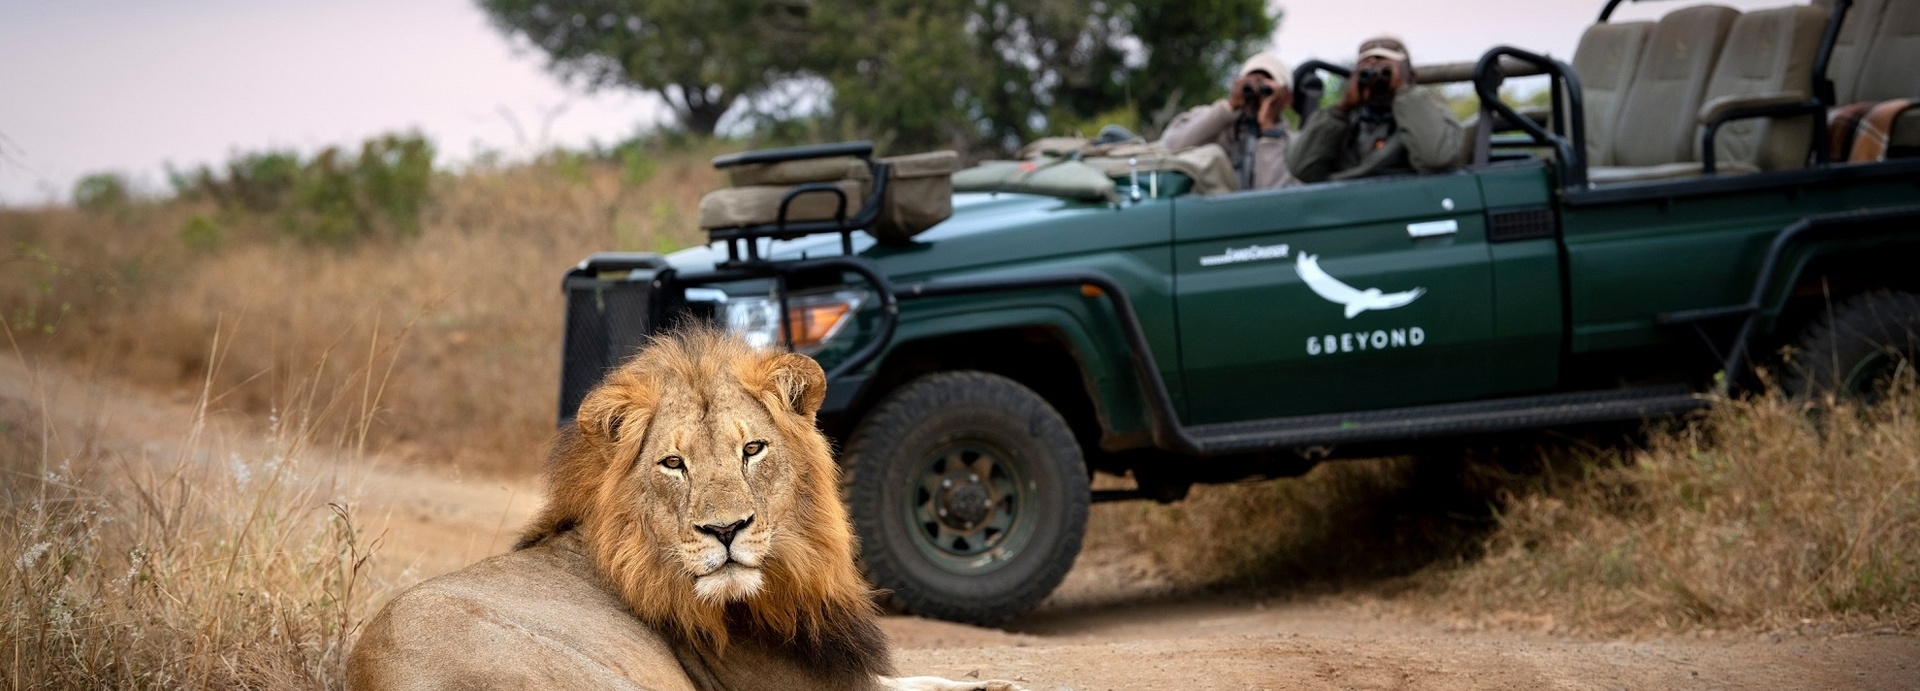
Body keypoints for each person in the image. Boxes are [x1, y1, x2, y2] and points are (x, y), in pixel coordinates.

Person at [1288, 36, 1464, 183]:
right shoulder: (1345, 122)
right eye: (1364, 69)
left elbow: (1435, 158)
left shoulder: (1430, 113)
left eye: (1385, 67)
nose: (1374, 71)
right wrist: (1342, 108)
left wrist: (1404, 91)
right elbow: (1301, 169)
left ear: (1410, 76)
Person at [1160, 53, 1298, 190]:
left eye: (1267, 89)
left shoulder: (1293, 145)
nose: (1257, 92)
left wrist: (1269, 131)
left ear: (1287, 98)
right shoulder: (1215, 120)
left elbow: (1276, 198)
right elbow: (1171, 146)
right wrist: (1229, 107)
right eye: (1249, 83)